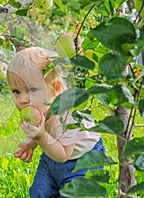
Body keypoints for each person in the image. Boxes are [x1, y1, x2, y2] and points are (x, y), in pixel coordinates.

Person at [6, 47, 105, 198]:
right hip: (51, 159)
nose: (23, 99)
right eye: (16, 92)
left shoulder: (67, 116)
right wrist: (31, 144)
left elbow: (63, 155)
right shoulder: (39, 108)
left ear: (55, 88)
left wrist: (41, 137)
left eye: (31, 89)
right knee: (38, 192)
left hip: (82, 161)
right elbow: (43, 132)